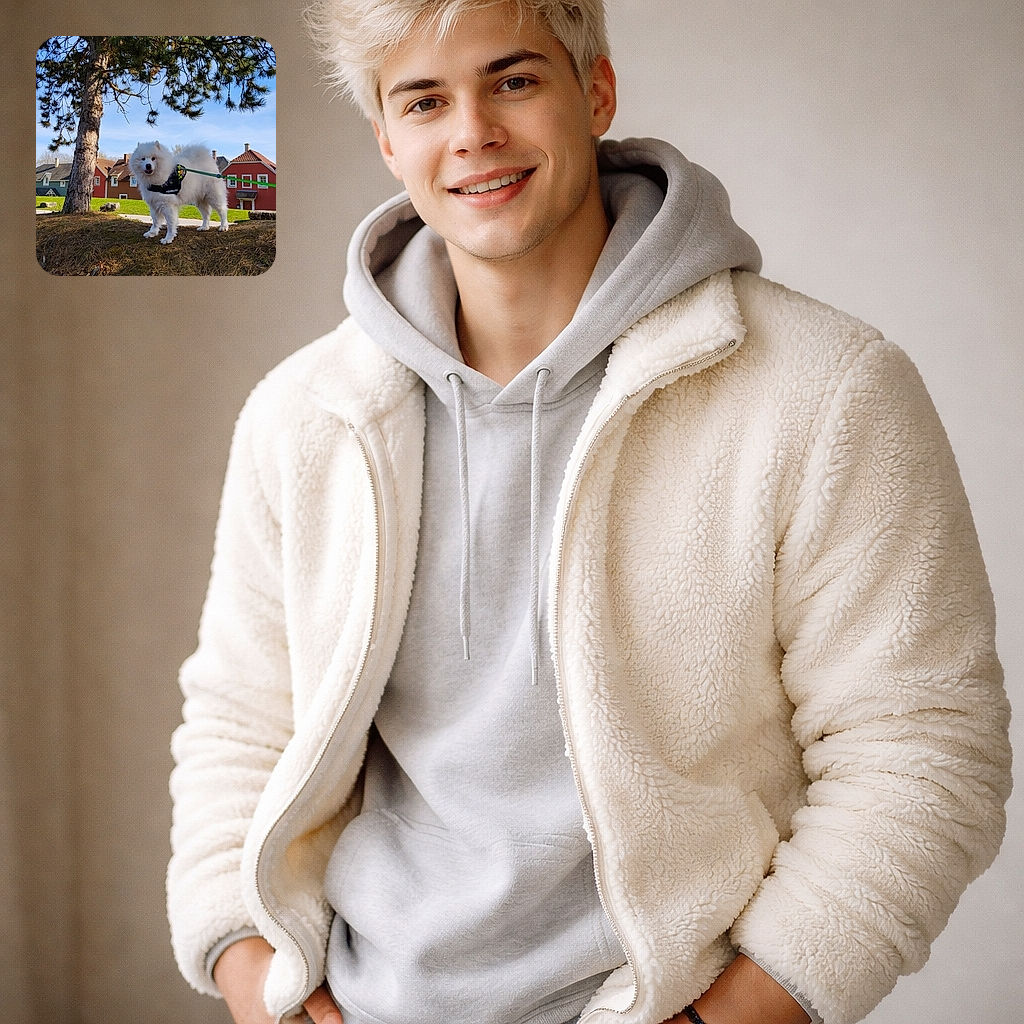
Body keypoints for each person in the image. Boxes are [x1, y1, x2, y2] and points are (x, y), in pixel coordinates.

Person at [167, 2, 1012, 1023]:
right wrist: (255, 978)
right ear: (388, 140)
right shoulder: (303, 418)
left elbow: (922, 749)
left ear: (595, 91)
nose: (472, 130)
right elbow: (235, 726)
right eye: (425, 100)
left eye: (513, 80)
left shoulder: (828, 390)